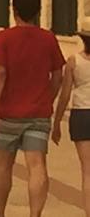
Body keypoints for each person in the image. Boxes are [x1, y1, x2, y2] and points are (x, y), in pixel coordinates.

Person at [0, 0, 65, 217]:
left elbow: (0, 73)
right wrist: (47, 98)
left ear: (14, 9)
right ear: (38, 10)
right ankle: (35, 214)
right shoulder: (48, 38)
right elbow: (58, 75)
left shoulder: (3, 38)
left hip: (9, 113)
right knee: (37, 165)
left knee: (3, 164)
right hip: (38, 115)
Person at [52, 21, 90, 216]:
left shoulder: (73, 62)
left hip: (82, 115)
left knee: (87, 170)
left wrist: (57, 121)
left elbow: (65, 94)